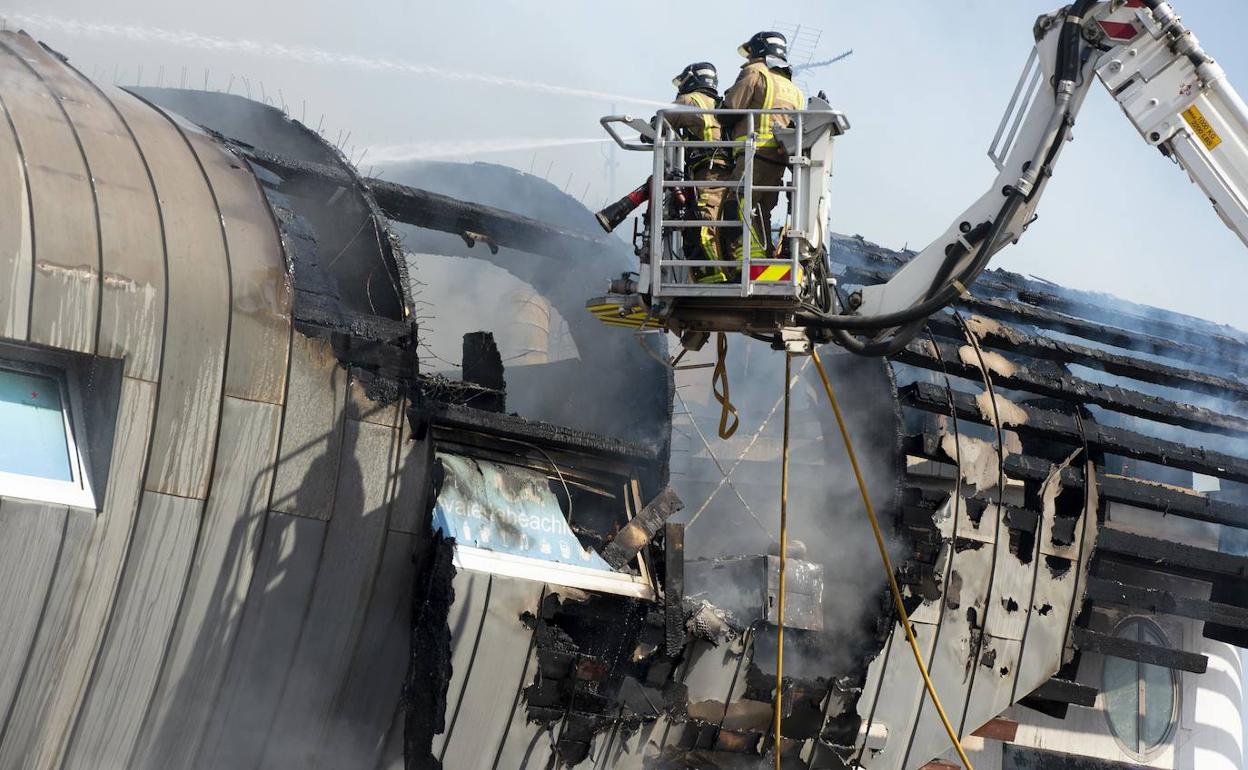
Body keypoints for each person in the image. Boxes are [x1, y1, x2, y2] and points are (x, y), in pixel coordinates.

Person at [720, 31, 805, 263]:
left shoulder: (754, 72)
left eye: (751, 53)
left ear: (759, 50)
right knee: (761, 212)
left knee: (735, 205)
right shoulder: (793, 89)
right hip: (778, 161)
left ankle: (749, 266)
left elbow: (728, 111)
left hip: (754, 156)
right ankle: (765, 261)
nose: (748, 59)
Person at [666, 62, 732, 283]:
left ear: (692, 79)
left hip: (709, 173)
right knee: (721, 224)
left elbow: (662, 123)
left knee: (704, 225)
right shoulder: (721, 105)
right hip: (727, 174)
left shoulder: (689, 99)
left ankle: (715, 280)